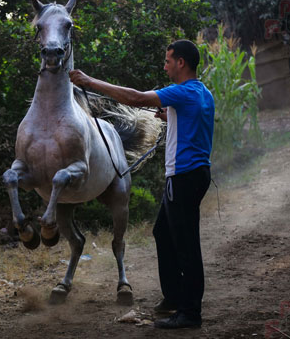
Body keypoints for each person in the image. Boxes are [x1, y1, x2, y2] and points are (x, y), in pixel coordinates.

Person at [69, 39, 214, 329]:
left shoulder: (182, 91)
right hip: (193, 175)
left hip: (184, 177)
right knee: (163, 232)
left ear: (181, 63)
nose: (165, 65)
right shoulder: (201, 93)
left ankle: (190, 313)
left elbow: (135, 98)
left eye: (168, 60)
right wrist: (168, 116)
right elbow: (193, 121)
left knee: (186, 244)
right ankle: (174, 297)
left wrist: (89, 81)